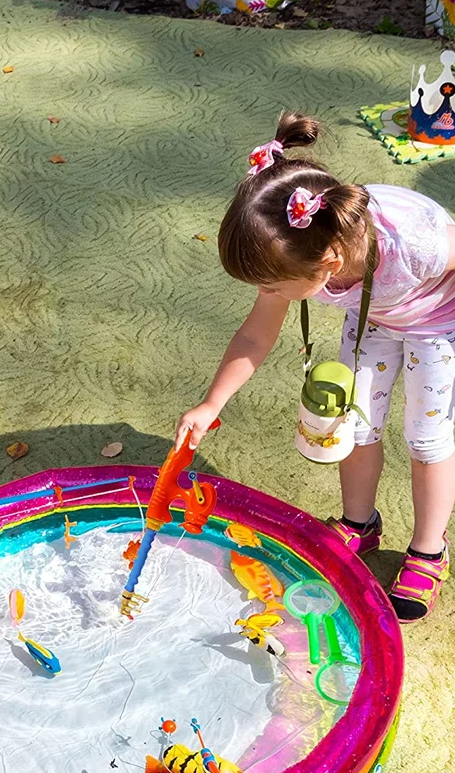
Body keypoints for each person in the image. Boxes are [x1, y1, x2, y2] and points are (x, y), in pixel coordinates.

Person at [177, 111, 455, 623]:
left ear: (328, 264)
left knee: (427, 438)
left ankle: (427, 550)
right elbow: (255, 334)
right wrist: (211, 403)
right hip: (375, 313)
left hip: (438, 317)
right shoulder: (305, 247)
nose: (267, 296)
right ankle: (359, 522)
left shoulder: (414, 240)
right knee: (353, 420)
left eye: (273, 288)